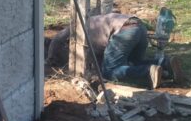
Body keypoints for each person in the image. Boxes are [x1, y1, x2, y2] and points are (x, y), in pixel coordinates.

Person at [46, 13, 183, 89]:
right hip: (139, 26)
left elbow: (57, 39)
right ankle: (165, 63)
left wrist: (50, 59)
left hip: (124, 31)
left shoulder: (75, 29)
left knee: (109, 71)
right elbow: (99, 58)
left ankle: (148, 71)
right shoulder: (91, 24)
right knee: (135, 61)